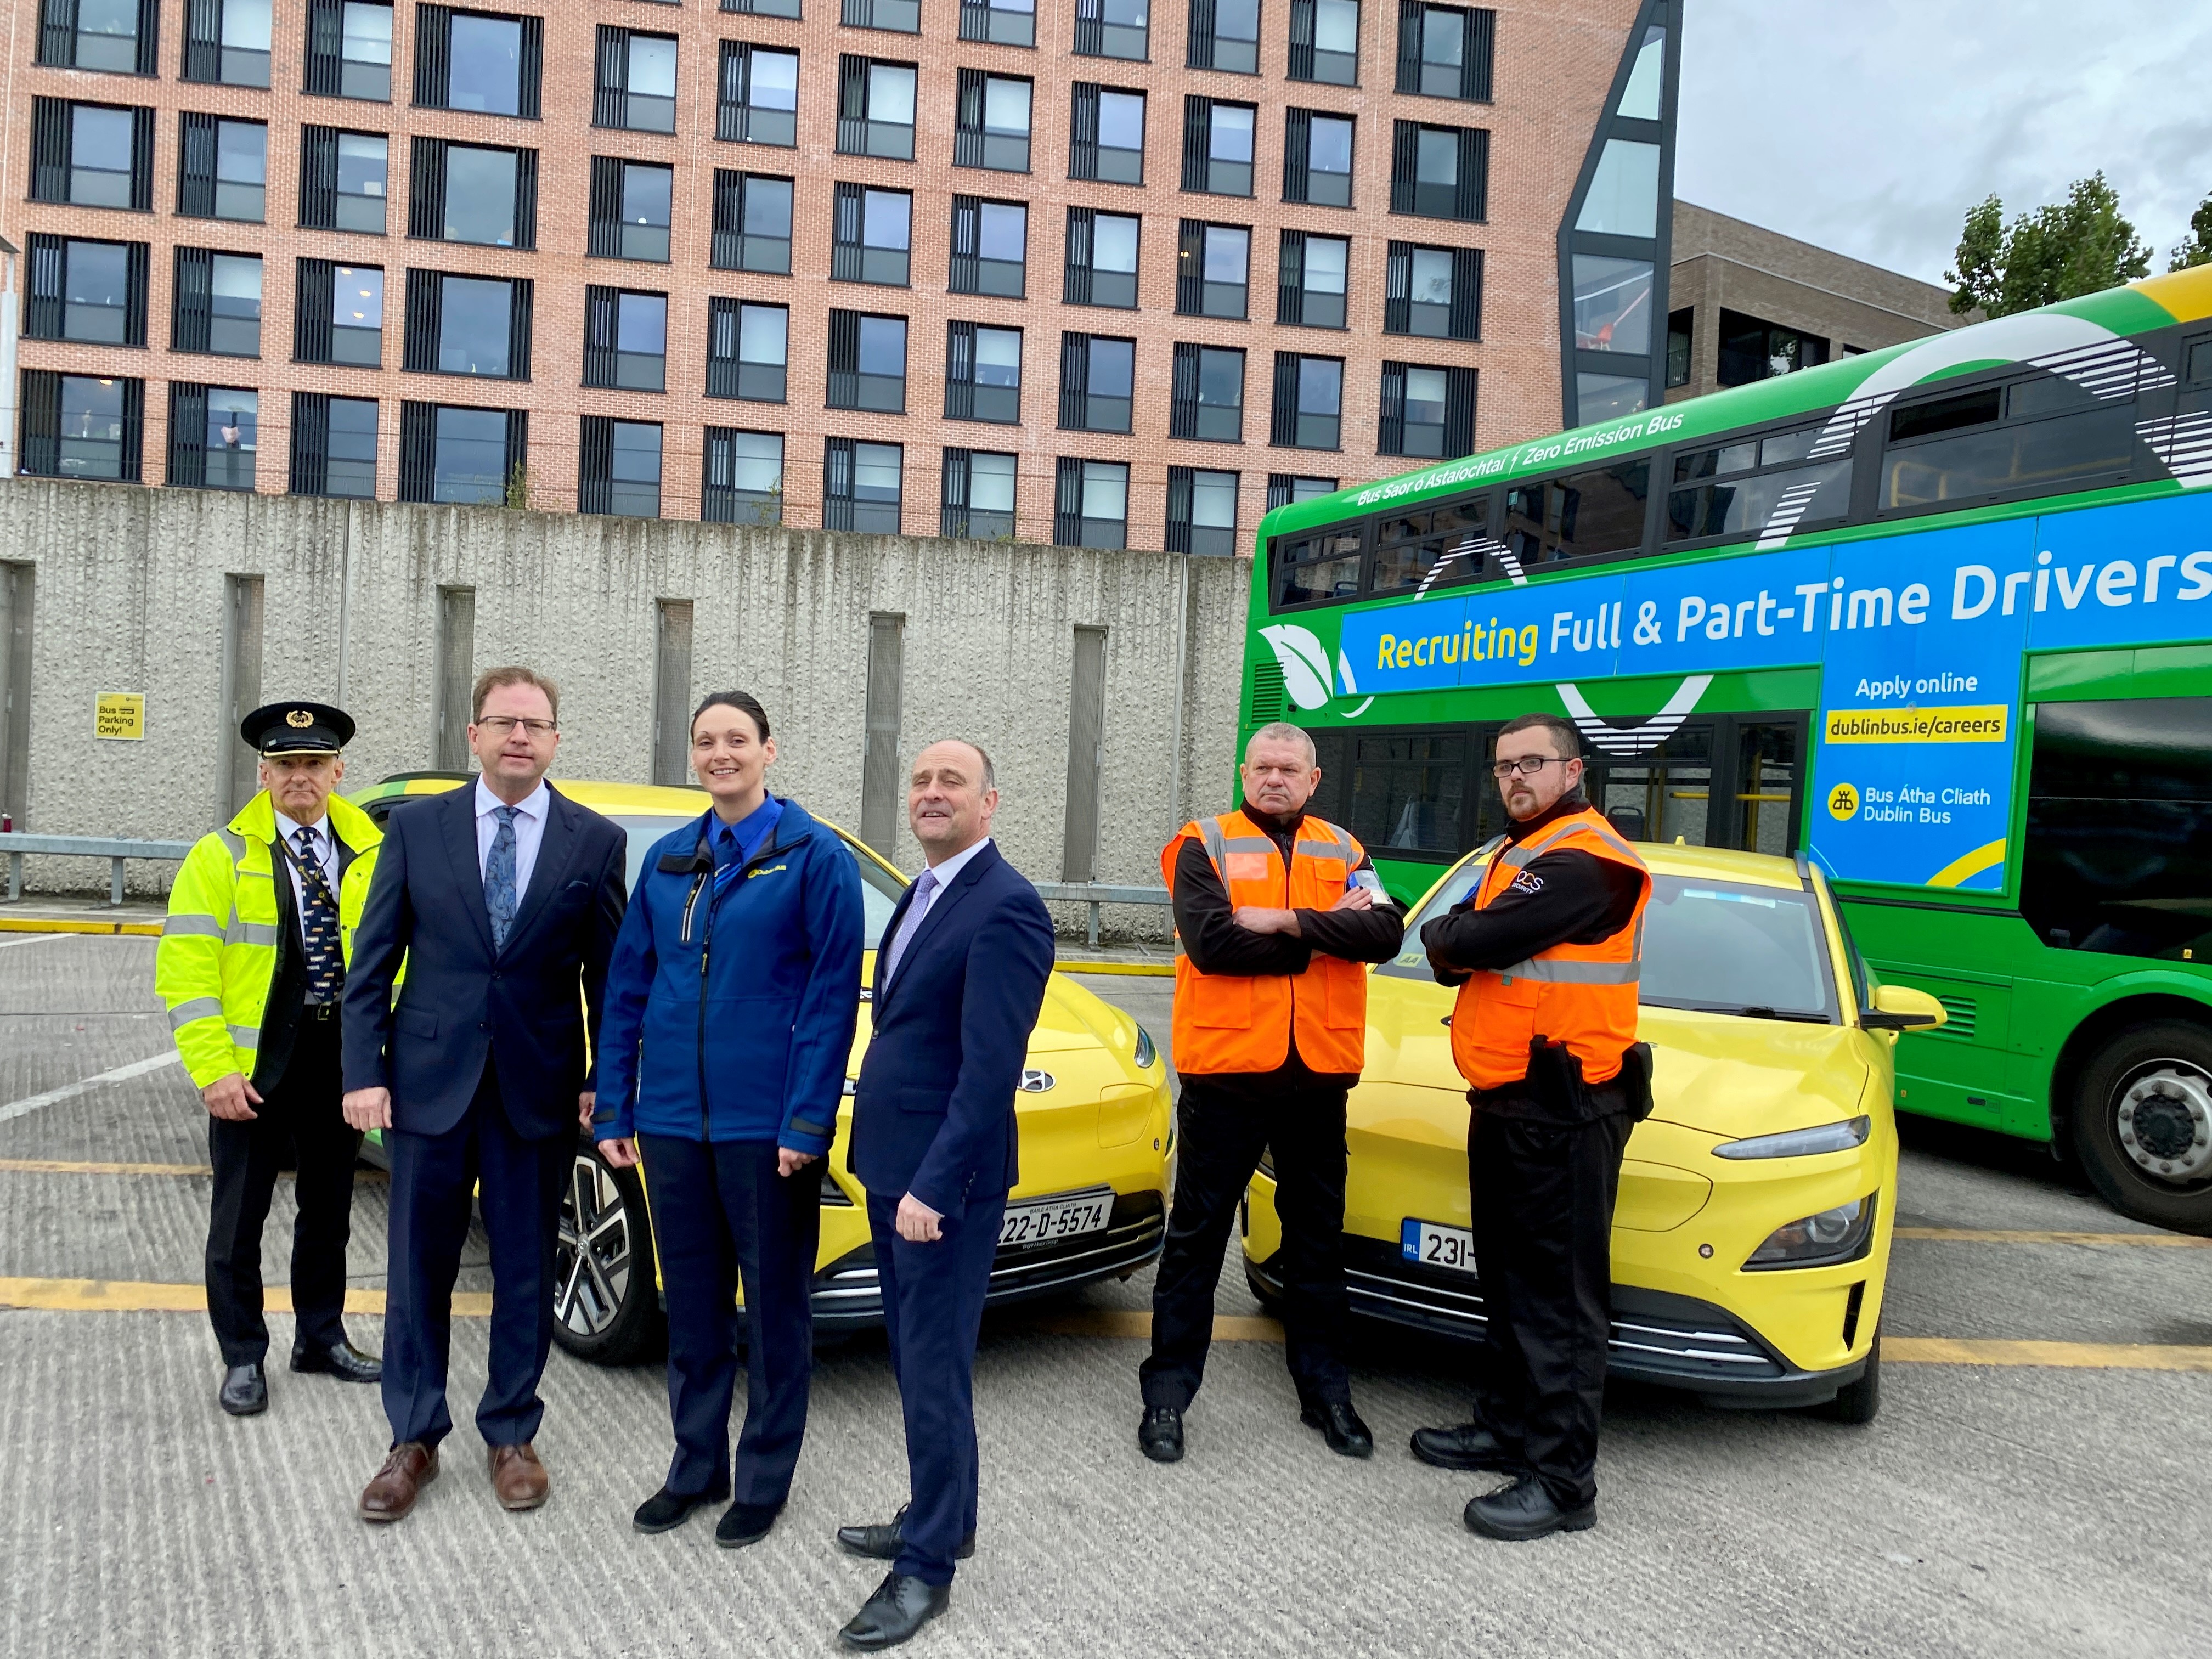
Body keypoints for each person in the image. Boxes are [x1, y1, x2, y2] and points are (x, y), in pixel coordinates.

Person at [340, 667, 628, 1522]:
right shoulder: (419, 829)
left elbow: (610, 979)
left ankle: (511, 1431)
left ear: (554, 741)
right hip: (427, 1088)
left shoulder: (594, 841)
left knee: (526, 1270)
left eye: (535, 725)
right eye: (502, 722)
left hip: (535, 1094)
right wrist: (363, 1073)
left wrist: (604, 1079)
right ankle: (413, 1438)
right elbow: (374, 962)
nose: (518, 737)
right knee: (417, 1271)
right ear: (474, 735)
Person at [592, 691, 864, 1549]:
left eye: (736, 740)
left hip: (765, 1128)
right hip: (671, 1121)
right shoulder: (673, 858)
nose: (721, 754)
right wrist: (614, 1101)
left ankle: (765, 1478)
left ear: (768, 750)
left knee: (775, 1310)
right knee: (696, 1307)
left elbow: (829, 1001)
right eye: (706, 740)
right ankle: (695, 1465)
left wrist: (807, 1122)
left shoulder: (813, 856)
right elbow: (628, 987)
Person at [832, 740, 1055, 1652]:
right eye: (921, 782)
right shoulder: (925, 893)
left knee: (931, 1369)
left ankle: (926, 1568)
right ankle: (943, 1514)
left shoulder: (1007, 908)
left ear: (989, 803)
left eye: (950, 782)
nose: (931, 794)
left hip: (940, 1187)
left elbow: (990, 1069)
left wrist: (932, 1183)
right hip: (897, 1168)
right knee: (922, 1362)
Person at [1411, 712, 1652, 1542]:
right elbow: (1455, 946)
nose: (1515, 778)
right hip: (1511, 1102)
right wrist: (1458, 939)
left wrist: (1458, 937)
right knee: (1509, 1287)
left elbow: (1472, 936)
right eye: (1504, 766)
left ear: (1572, 770)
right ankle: (1509, 1428)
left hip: (1566, 1111)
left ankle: (1562, 1481)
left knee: (1559, 1304)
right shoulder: (1518, 852)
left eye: (1533, 763)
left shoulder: (1591, 859)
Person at [1137, 721, 1403, 1464]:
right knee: (1196, 1241)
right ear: (1244, 775)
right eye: (1263, 768)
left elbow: (1385, 932)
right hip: (1226, 1078)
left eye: (1290, 769)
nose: (1275, 779)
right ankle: (1166, 1395)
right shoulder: (1204, 842)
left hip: (1317, 1077)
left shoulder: (1343, 848)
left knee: (1318, 1243)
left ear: (1313, 780)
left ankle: (1327, 1393)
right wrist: (1326, 936)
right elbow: (1214, 946)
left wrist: (1284, 922)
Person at [156, 701, 384, 1417]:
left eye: (314, 765)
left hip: (339, 1059)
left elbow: (395, 963)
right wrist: (213, 1069)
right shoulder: (220, 855)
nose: (300, 778)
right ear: (265, 774)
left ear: (338, 772)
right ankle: (243, 1356)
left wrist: (382, 1060)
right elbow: (186, 970)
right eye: (286, 765)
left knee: (329, 1211)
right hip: (254, 1067)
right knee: (239, 1220)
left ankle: (320, 1337)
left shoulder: (372, 853)